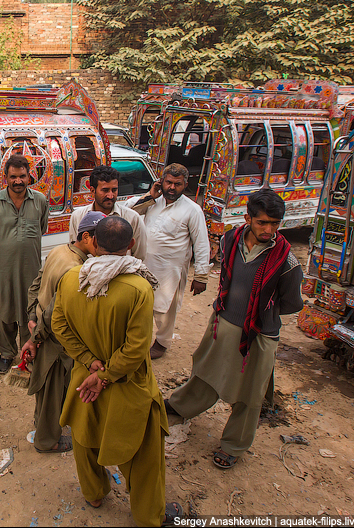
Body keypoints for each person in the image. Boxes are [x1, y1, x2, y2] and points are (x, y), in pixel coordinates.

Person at [52, 216, 180, 526]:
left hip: (85, 377)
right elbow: (137, 349)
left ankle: (94, 492)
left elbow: (59, 324)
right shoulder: (138, 286)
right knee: (144, 454)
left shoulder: (72, 278)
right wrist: (106, 375)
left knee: (84, 436)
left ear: (93, 243)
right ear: (132, 245)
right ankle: (150, 515)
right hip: (127, 383)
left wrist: (88, 361)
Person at [166, 188, 303, 470]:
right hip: (224, 321)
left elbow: (291, 303)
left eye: (274, 224)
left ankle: (233, 445)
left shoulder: (286, 261)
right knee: (205, 370)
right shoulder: (231, 238)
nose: (268, 230)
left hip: (260, 334)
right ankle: (181, 406)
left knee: (250, 393)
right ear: (247, 218)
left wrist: (260, 313)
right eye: (262, 222)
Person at [20, 211, 102, 454]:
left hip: (42, 331)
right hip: (54, 340)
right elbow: (55, 313)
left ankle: (42, 425)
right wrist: (35, 337)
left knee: (45, 390)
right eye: (101, 240)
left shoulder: (59, 251)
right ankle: (47, 441)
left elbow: (36, 284)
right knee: (53, 391)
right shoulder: (75, 270)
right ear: (87, 237)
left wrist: (31, 319)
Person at [126, 163, 210, 359]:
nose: (172, 188)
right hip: (144, 264)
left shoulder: (193, 210)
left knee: (165, 310)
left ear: (185, 185)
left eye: (177, 184)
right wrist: (150, 196)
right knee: (141, 305)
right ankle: (138, 340)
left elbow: (201, 243)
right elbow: (129, 213)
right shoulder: (152, 202)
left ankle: (162, 342)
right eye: (169, 183)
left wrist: (202, 276)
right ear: (161, 182)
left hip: (170, 270)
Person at [0, 155, 49, 375]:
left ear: (29, 176)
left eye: (22, 176)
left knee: (30, 313)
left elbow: (42, 228)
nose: (18, 181)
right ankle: (6, 354)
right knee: (4, 312)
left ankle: (29, 353)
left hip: (30, 270)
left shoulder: (39, 201)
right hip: (2, 270)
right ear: (5, 178)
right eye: (13, 177)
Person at [68, 165, 148, 262]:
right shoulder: (78, 216)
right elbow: (75, 252)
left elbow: (139, 256)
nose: (110, 196)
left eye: (114, 190)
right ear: (92, 190)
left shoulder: (132, 218)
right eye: (105, 190)